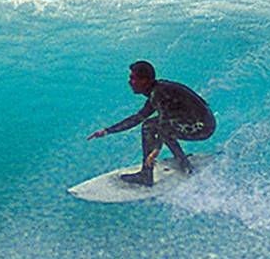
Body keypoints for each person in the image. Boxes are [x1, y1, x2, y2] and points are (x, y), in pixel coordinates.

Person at [86, 60, 215, 185]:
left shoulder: (159, 93)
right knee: (153, 124)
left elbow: (163, 126)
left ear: (145, 81)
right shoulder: (156, 90)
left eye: (133, 78)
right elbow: (138, 117)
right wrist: (107, 131)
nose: (130, 82)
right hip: (199, 123)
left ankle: (147, 174)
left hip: (202, 127)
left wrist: (155, 152)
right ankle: (182, 162)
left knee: (151, 126)